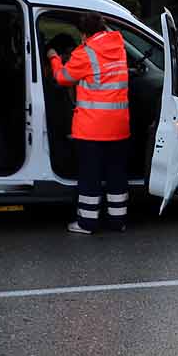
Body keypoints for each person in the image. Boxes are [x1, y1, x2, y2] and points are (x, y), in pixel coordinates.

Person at [48, 13, 131, 234]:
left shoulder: (85, 53)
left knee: (90, 176)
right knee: (116, 175)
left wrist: (54, 57)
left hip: (92, 128)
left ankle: (87, 222)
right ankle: (117, 221)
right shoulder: (119, 48)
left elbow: (62, 78)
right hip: (119, 126)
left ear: (84, 34)